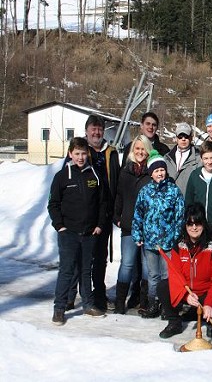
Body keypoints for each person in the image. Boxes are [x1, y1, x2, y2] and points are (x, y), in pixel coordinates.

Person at [48, 137, 108, 325]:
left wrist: (99, 224)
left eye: (83, 153)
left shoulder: (94, 175)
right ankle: (59, 308)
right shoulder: (62, 176)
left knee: (85, 271)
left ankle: (88, 304)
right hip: (69, 233)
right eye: (77, 154)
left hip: (89, 233)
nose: (80, 157)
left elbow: (102, 202)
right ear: (70, 154)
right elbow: (53, 204)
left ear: (87, 154)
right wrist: (60, 226)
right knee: (66, 271)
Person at [157, 204, 212, 339]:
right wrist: (185, 295)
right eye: (190, 223)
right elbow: (175, 276)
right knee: (163, 287)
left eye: (198, 223)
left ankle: (211, 323)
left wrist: (209, 303)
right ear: (186, 225)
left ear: (203, 224)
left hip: (205, 293)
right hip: (187, 291)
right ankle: (174, 323)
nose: (194, 227)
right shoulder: (179, 245)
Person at [132, 150, 185, 318]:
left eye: (162, 170)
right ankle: (153, 303)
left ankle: (166, 304)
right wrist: (137, 234)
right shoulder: (145, 192)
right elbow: (138, 214)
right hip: (150, 242)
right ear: (151, 173)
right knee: (153, 275)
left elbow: (180, 215)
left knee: (166, 275)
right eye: (156, 170)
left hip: (168, 241)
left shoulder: (173, 190)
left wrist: (176, 235)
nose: (160, 173)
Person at [80, 115, 120, 311]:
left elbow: (117, 182)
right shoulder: (81, 151)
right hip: (84, 214)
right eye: (93, 129)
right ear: (86, 131)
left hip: (104, 214)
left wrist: (115, 210)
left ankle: (99, 294)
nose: (96, 133)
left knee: (100, 257)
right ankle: (74, 295)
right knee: (81, 257)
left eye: (99, 129)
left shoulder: (111, 153)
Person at [113, 135, 153, 314]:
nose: (140, 152)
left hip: (147, 227)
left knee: (146, 266)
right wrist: (117, 216)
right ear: (132, 151)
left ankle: (144, 302)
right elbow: (119, 196)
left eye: (143, 149)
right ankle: (119, 302)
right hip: (129, 225)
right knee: (127, 264)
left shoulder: (151, 172)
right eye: (137, 148)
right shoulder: (125, 172)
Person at [185, 141, 212, 227]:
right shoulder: (195, 175)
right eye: (206, 158)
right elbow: (189, 201)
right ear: (201, 159)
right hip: (198, 224)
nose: (209, 162)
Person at [165, 122, 201, 195]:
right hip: (169, 199)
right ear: (176, 138)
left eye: (186, 136)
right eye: (180, 136)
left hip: (188, 199)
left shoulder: (198, 159)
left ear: (191, 138)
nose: (183, 139)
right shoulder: (167, 158)